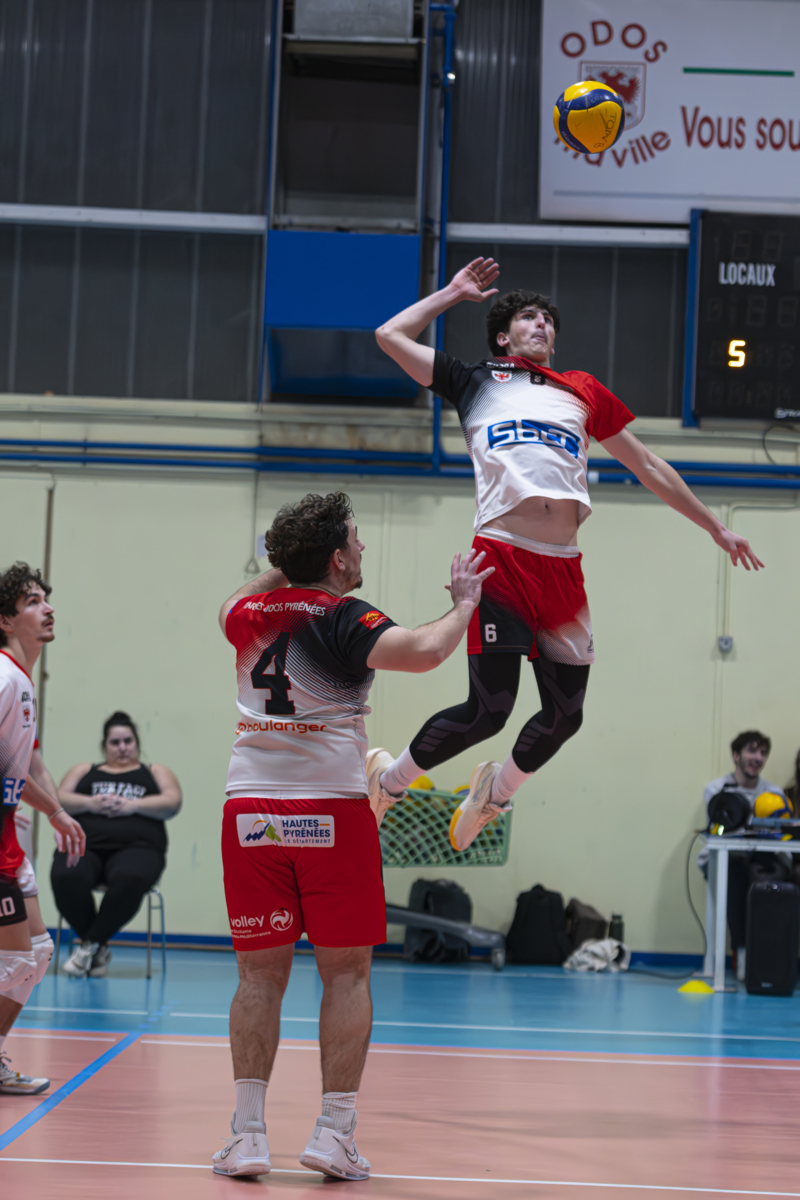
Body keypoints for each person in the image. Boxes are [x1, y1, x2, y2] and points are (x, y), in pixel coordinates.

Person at [372, 257, 764, 850]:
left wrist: (714, 527)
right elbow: (389, 336)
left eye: (548, 320)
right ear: (503, 337)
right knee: (490, 710)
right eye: (529, 317)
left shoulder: (581, 389)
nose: (542, 324)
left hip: (561, 569)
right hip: (502, 558)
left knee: (565, 716)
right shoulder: (474, 380)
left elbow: (649, 464)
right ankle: (388, 783)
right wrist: (452, 293)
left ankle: (494, 793)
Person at [212, 491, 491, 1180]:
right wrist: (464, 604)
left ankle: (248, 1136)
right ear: (337, 558)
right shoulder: (346, 617)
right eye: (355, 540)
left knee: (258, 977)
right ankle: (333, 1134)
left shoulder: (247, 615)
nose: (363, 548)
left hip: (250, 811)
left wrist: (287, 559)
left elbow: (233, 599)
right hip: (332, 812)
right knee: (346, 973)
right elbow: (424, 652)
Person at [0, 562, 85, 1095]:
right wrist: (52, 809)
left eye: (45, 599)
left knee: (35, 955)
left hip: (8, 834)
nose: (47, 608)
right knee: (14, 958)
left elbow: (22, 766)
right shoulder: (4, 677)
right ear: (6, 620)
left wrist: (54, 810)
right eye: (32, 601)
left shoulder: (22, 681)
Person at [53, 712, 182, 978]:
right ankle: (96, 949)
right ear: (105, 746)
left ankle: (90, 945)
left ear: (137, 743)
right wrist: (91, 803)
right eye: (115, 742)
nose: (122, 748)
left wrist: (131, 806)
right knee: (66, 875)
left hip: (139, 848)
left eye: (128, 741)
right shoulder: (85, 770)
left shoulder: (154, 771)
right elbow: (58, 799)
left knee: (131, 877)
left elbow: (173, 802)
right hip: (86, 846)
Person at [700, 730, 787, 981]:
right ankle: (742, 953)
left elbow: (781, 835)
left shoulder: (774, 794)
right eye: (752, 750)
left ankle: (769, 958)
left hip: (762, 857)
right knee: (734, 876)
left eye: (763, 753)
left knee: (767, 878)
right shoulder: (716, 789)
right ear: (736, 755)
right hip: (725, 859)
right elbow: (717, 831)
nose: (758, 757)